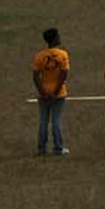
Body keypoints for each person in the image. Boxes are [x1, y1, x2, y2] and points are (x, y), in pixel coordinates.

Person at [33, 28, 70, 156]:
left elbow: (36, 76)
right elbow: (64, 74)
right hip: (58, 93)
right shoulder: (62, 55)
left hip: (43, 92)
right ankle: (58, 148)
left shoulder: (40, 55)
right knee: (56, 121)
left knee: (43, 121)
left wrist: (43, 91)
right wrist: (56, 91)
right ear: (54, 39)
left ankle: (42, 148)